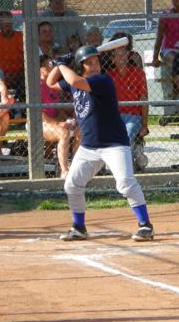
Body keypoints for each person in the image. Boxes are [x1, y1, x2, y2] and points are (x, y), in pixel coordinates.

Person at [46, 45, 155, 242]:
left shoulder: (102, 80)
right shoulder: (75, 81)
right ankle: (79, 227)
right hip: (89, 146)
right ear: (81, 65)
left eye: (96, 61)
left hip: (114, 144)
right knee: (72, 184)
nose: (94, 65)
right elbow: (50, 82)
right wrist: (60, 63)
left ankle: (145, 225)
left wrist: (60, 64)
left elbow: (75, 80)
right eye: (89, 62)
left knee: (126, 184)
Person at [39, 56, 74, 179]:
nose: (53, 66)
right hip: (39, 124)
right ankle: (65, 171)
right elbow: (39, 115)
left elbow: (57, 109)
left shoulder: (53, 85)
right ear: (40, 68)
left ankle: (76, 166)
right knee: (64, 133)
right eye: (49, 64)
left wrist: (66, 120)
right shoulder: (36, 86)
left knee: (80, 130)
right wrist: (59, 124)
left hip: (54, 122)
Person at [0, 10, 24, 102]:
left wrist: (19, 72)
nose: (6, 23)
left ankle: (22, 107)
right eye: (2, 21)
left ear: (12, 22)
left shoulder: (21, 37)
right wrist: (1, 74)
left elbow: (25, 57)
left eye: (8, 20)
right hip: (1, 74)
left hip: (19, 73)